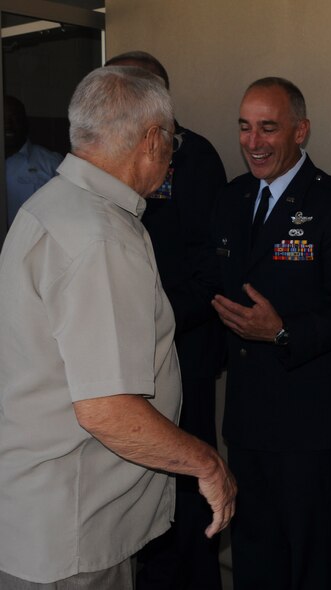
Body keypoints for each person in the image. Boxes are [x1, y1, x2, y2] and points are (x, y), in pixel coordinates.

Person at [0, 66, 235, 589]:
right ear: (152, 140)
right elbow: (108, 410)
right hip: (72, 534)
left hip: (41, 517)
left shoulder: (52, 205)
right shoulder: (100, 236)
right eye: (171, 140)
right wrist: (206, 464)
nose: (172, 154)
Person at [211, 77, 331, 589]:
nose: (252, 142)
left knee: (306, 561)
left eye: (268, 128)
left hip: (307, 421)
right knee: (253, 559)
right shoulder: (233, 197)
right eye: (244, 127)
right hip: (246, 416)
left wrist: (283, 332)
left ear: (300, 131)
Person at [103, 50, 228, 590]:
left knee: (187, 490)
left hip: (181, 352)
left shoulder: (194, 157)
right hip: (113, 357)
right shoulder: (101, 162)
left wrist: (150, 323)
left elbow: (211, 268)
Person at [4, 94, 63, 226]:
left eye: (14, 117)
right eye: (2, 117)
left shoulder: (51, 163)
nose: (8, 124)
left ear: (25, 122)